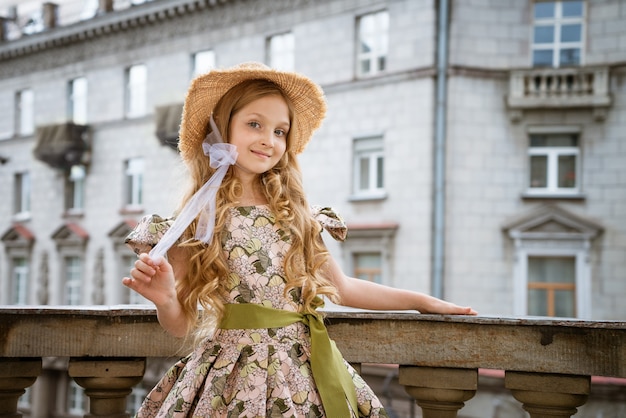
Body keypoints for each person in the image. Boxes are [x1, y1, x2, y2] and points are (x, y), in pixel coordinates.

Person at [123, 62, 477, 418]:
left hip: (301, 374)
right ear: (221, 126)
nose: (268, 139)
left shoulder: (297, 214)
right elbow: (181, 325)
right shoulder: (198, 219)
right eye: (254, 124)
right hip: (227, 380)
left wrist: (421, 301)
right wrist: (166, 299)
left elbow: (343, 289)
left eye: (280, 131)